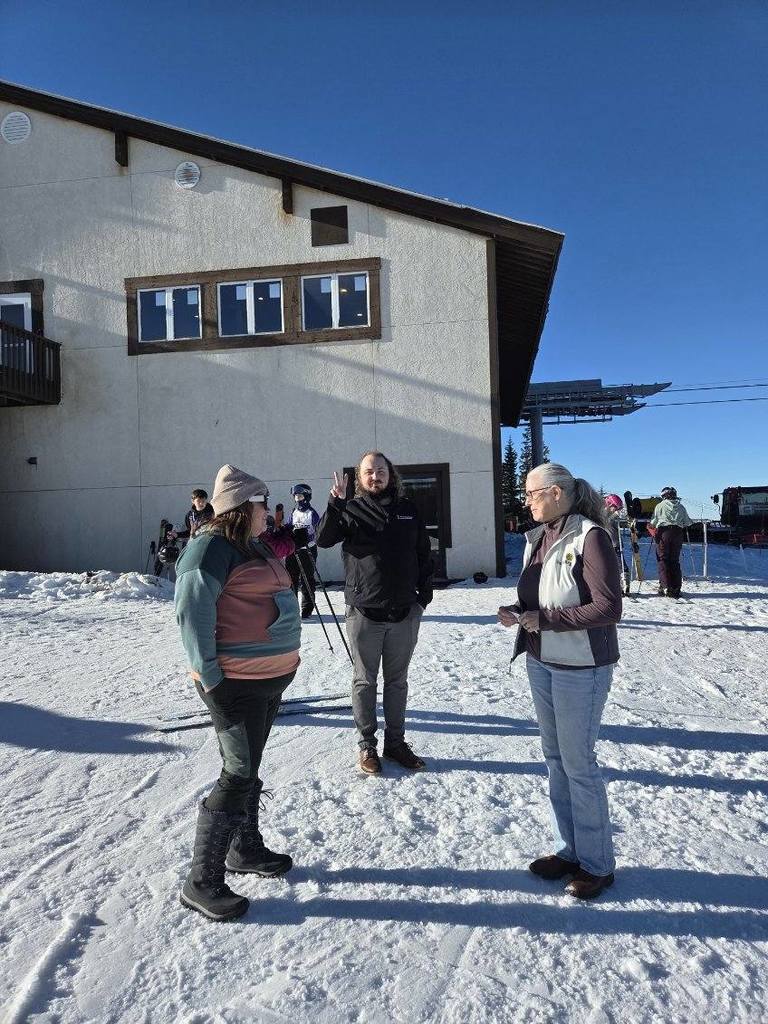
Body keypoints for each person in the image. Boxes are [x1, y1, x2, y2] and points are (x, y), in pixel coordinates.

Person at [174, 465, 301, 922]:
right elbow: (191, 613)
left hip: (267, 680)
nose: (268, 511)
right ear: (243, 507)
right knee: (238, 771)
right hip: (233, 684)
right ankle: (201, 881)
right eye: (263, 503)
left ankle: (243, 850)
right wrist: (210, 680)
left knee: (249, 767)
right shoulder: (209, 549)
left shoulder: (253, 545)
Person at [498, 462, 622, 900]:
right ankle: (570, 850)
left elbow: (608, 608)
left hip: (581, 668)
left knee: (578, 765)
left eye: (531, 494)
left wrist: (543, 619)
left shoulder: (591, 537)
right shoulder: (542, 537)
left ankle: (597, 865)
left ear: (554, 493)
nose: (525, 501)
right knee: (555, 759)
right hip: (542, 661)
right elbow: (542, 593)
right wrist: (517, 609)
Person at [316, 451, 433, 775]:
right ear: (360, 476)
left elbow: (424, 553)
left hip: (404, 614)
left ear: (390, 474)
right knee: (364, 682)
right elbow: (323, 539)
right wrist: (335, 504)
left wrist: (423, 597)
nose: (375, 476)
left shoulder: (408, 510)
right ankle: (366, 746)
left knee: (397, 683)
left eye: (381, 470)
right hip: (364, 614)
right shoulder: (350, 510)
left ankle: (395, 743)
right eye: (369, 471)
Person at [650, 486, 692, 599]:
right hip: (678, 533)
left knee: (663, 559)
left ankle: (665, 586)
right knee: (675, 560)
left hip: (664, 533)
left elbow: (653, 522)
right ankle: (676, 587)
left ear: (664, 496)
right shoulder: (681, 506)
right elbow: (687, 522)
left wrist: (651, 527)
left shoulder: (660, 506)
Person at [286, 484, 321, 618]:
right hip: (294, 550)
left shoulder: (312, 514)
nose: (297, 499)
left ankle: (307, 608)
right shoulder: (293, 513)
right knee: (291, 579)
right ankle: (292, 608)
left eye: (299, 496)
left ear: (306, 497)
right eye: (295, 496)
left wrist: (307, 537)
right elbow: (289, 527)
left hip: (308, 550)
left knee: (307, 579)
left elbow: (318, 531)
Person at [604, 493, 630, 595]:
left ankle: (624, 585)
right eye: (614, 507)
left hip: (616, 544)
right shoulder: (604, 514)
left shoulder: (614, 515)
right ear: (609, 505)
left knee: (620, 564)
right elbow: (606, 521)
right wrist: (616, 514)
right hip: (607, 543)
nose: (616, 509)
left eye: (617, 507)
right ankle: (615, 586)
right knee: (610, 566)